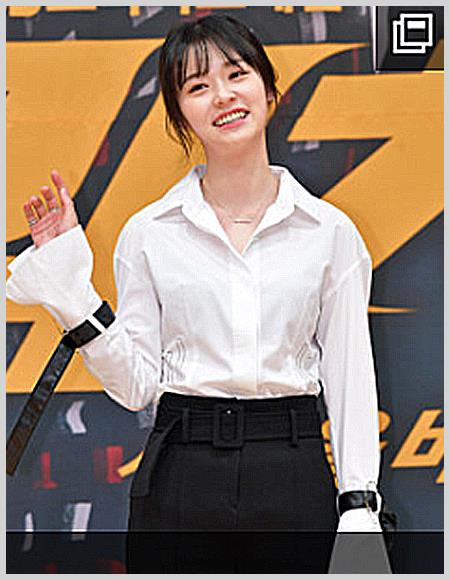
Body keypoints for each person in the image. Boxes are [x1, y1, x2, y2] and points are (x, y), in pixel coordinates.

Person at [6, 14, 384, 573]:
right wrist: (69, 291)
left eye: (237, 74)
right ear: (180, 114)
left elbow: (351, 376)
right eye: (198, 86)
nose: (223, 96)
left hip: (291, 465)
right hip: (181, 471)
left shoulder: (329, 233)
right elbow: (137, 385)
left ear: (268, 86)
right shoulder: (148, 233)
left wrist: (359, 505)